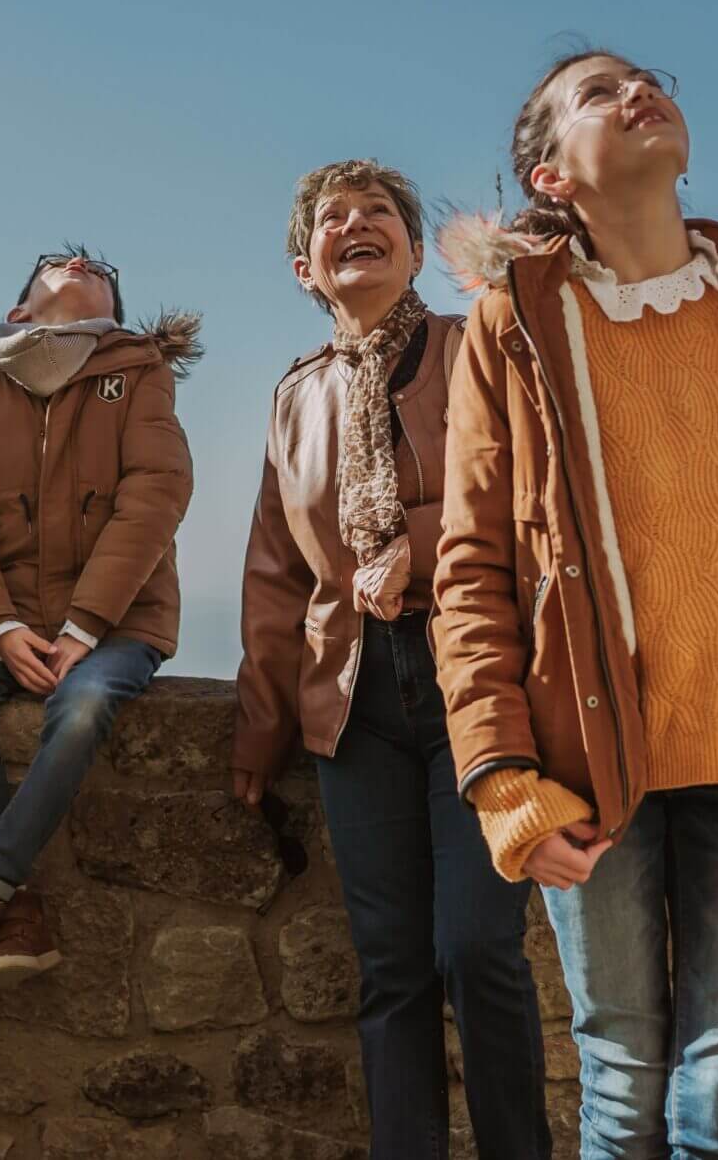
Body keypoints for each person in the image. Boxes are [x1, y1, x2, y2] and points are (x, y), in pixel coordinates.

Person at [432, 49, 718, 1159]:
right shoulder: (510, 324)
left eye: (649, 78)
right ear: (550, 177)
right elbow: (471, 570)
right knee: (620, 1069)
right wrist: (502, 779)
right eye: (598, 92)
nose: (639, 92)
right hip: (587, 762)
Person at [234, 161, 551, 1160]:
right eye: (335, 220)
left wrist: (416, 540)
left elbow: (529, 488)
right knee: (392, 969)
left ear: (416, 252)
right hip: (353, 702)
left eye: (380, 215)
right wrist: (259, 731)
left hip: (478, 678)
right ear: (304, 268)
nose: (357, 226)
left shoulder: (475, 348)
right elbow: (275, 573)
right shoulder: (294, 397)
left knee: (477, 949)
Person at [0, 249, 195, 994]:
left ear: (111, 314)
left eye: (97, 265)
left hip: (120, 623)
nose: (75, 259)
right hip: (2, 620)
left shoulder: (139, 375)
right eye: (54, 262)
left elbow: (155, 494)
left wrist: (85, 626)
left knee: (86, 703)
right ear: (22, 310)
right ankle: (18, 910)